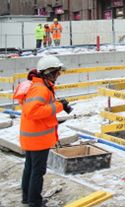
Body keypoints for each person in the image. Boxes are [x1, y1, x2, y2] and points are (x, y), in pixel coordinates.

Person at [19, 55, 72, 207]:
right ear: (49, 72)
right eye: (57, 72)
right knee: (37, 171)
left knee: (30, 167)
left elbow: (37, 107)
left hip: (31, 137)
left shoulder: (36, 86)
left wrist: (55, 103)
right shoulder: (41, 89)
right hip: (38, 139)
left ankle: (27, 197)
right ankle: (35, 202)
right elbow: (33, 112)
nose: (59, 75)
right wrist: (59, 106)